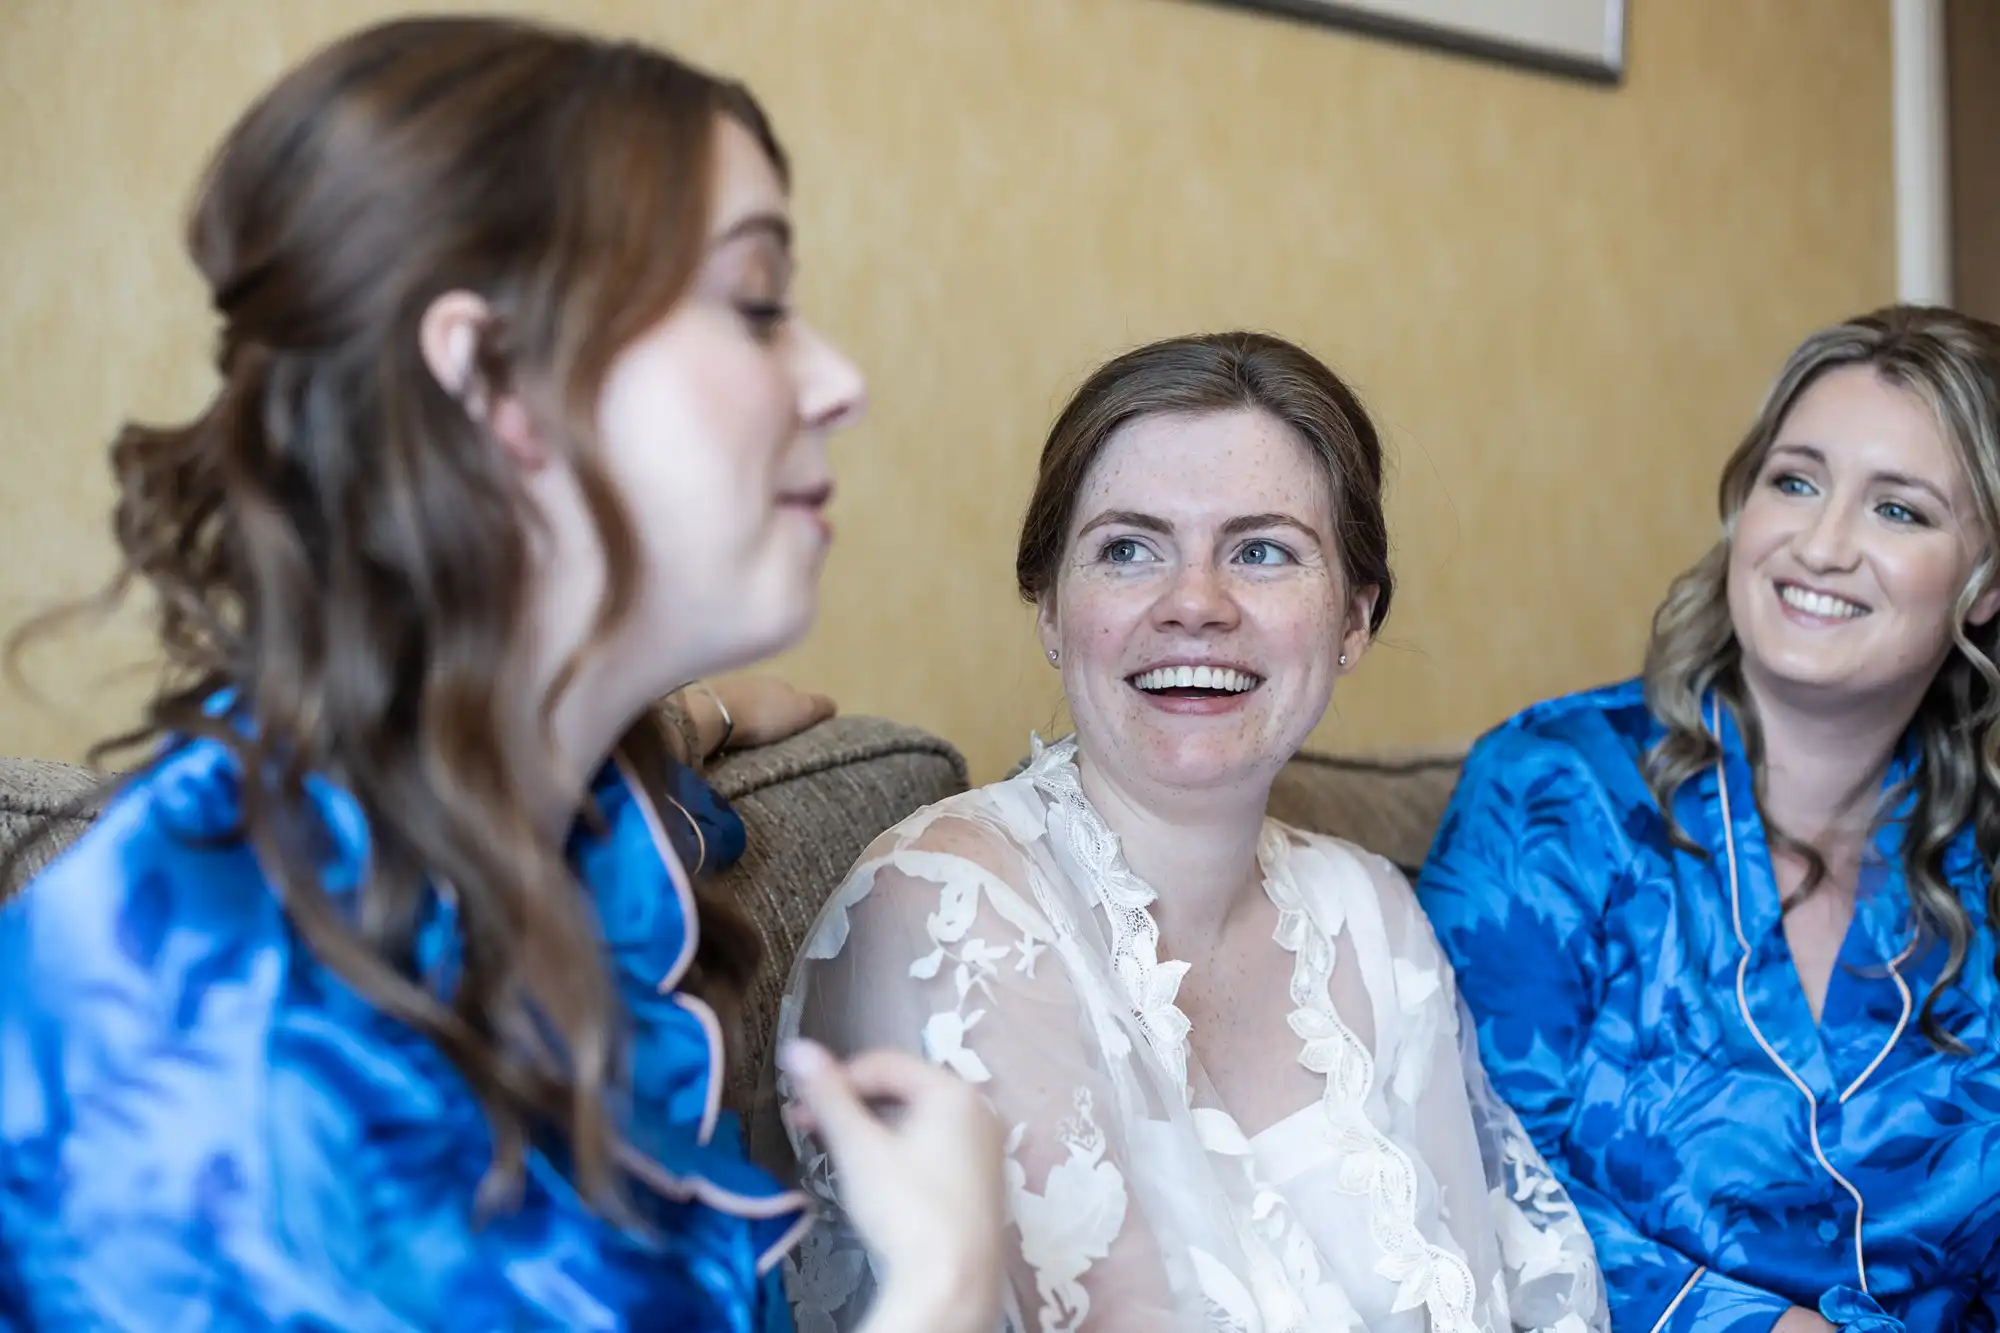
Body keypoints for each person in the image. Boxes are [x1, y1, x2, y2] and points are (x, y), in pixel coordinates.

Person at [0, 16, 1005, 1332]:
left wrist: (697, 709)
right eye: (756, 303)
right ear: (492, 380)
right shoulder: (224, 1052)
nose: (837, 380)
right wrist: (940, 1293)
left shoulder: (564, 821)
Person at [769, 331, 1608, 1332]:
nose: (1194, 605)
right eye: (1128, 549)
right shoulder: (947, 914)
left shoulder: (1369, 916)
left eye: (1259, 551)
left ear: (1352, 620)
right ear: (1050, 608)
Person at [1417, 305, 2000, 1333]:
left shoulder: (1979, 850)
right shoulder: (1553, 790)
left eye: (1897, 511)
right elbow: (1466, 1163)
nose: (1819, 545)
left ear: (1984, 582)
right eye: (1794, 481)